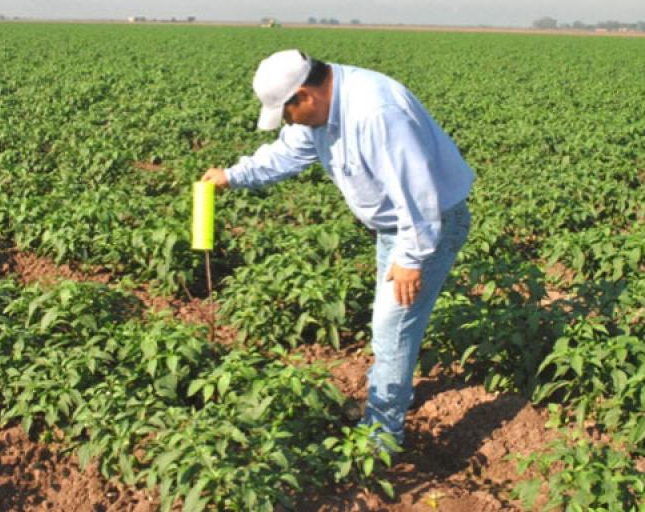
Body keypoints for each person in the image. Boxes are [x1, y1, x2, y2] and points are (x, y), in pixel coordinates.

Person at [201, 49, 474, 447]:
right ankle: (387, 400)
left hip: (424, 226)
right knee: (389, 326)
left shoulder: (376, 112)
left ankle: (382, 436)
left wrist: (411, 258)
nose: (290, 122)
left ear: (305, 96)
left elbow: (417, 191)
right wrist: (234, 175)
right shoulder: (322, 110)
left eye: (289, 113)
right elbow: (288, 152)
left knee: (392, 326)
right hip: (395, 227)